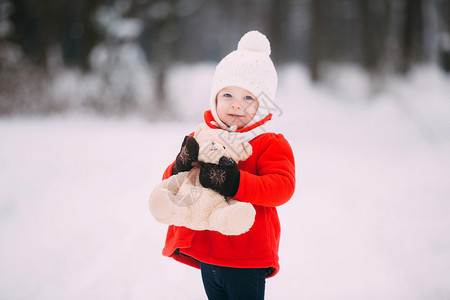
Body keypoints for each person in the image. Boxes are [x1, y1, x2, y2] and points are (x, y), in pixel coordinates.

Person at [159, 30, 295, 300]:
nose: (236, 106)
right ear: (215, 98)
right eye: (228, 96)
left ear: (263, 105)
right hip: (208, 254)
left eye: (248, 98)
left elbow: (282, 187)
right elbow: (171, 183)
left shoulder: (268, 142)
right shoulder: (203, 135)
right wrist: (180, 166)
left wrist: (236, 183)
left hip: (246, 256)